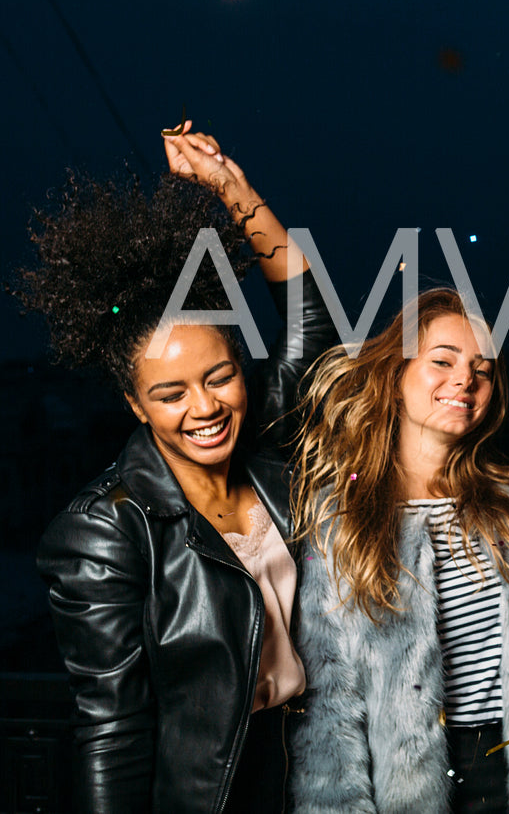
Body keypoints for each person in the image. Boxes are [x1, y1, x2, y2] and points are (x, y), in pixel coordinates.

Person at [19, 123, 333, 813]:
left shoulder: (268, 455)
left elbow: (312, 321)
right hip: (215, 791)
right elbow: (111, 728)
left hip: (319, 768)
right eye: (170, 393)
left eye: (218, 375)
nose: (205, 407)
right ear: (136, 404)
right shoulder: (104, 529)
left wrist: (232, 188)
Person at [288, 288, 509, 814]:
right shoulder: (341, 520)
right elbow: (329, 705)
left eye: (483, 369)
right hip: (402, 794)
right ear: (395, 374)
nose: (465, 379)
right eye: (442, 361)